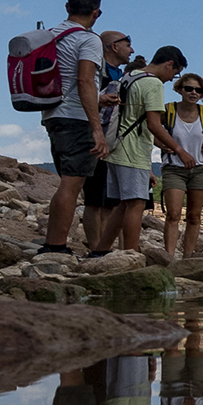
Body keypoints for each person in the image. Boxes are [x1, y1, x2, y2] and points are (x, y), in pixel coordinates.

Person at [90, 46, 196, 255]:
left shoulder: (130, 76)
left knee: (123, 204)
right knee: (136, 204)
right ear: (169, 64)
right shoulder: (153, 83)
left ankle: (101, 249)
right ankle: (131, 253)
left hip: (116, 145)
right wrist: (179, 150)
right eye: (175, 73)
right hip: (133, 150)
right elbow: (154, 123)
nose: (171, 79)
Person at [39, 0, 110, 257]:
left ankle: (53, 242)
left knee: (67, 180)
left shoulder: (49, 36)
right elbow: (83, 81)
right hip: (76, 117)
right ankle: (56, 246)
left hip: (53, 114)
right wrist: (97, 129)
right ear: (96, 12)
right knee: (72, 183)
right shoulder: (89, 40)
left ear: (67, 7)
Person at [81, 28, 136, 252]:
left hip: (113, 142)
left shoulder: (121, 75)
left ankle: (105, 247)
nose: (131, 50)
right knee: (94, 198)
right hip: (93, 138)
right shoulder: (95, 72)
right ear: (114, 46)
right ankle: (96, 248)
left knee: (110, 200)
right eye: (127, 44)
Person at [160, 72, 203, 258]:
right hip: (174, 168)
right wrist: (162, 145)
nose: (193, 93)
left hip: (200, 168)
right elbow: (149, 129)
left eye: (198, 90)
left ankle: (188, 256)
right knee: (173, 214)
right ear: (180, 89)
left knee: (194, 216)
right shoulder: (168, 110)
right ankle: (169, 257)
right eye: (189, 89)